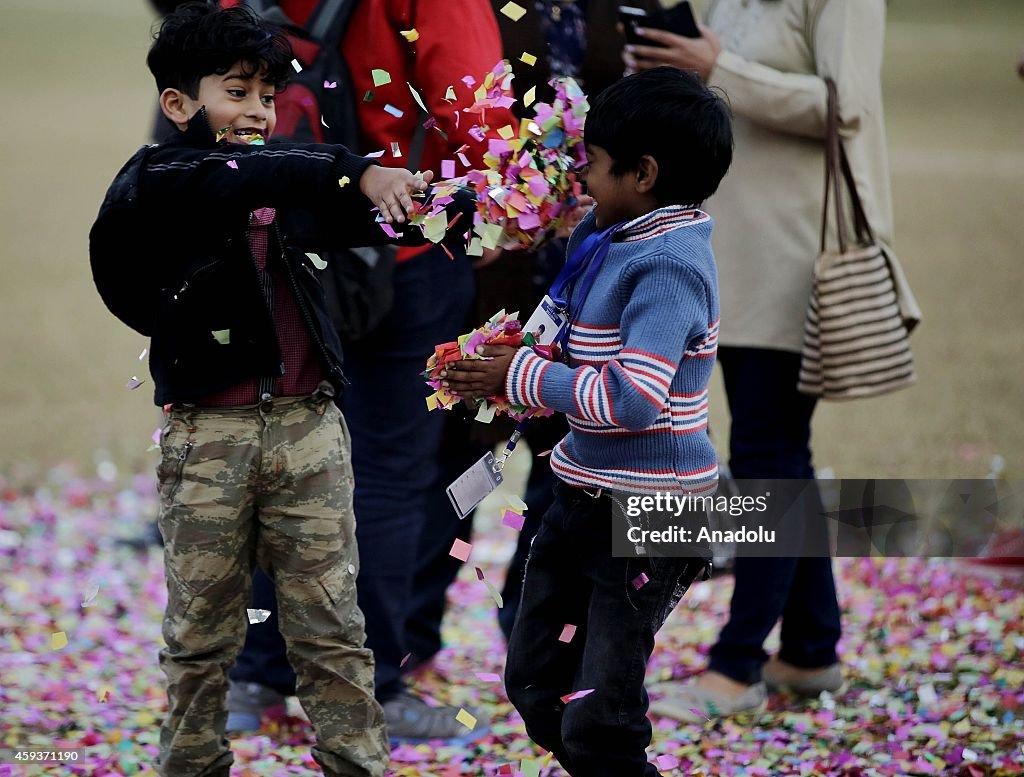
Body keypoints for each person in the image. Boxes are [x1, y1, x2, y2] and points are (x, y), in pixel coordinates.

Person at [89, 4, 453, 774]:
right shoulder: (163, 176)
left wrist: (427, 207)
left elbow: (363, 222)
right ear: (179, 105)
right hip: (209, 439)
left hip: (308, 432)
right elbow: (258, 174)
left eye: (265, 95)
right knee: (200, 630)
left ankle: (356, 759)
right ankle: (192, 760)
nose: (256, 112)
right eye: (236, 93)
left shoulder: (287, 181)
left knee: (332, 626)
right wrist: (355, 167)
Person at [219, 0, 517, 742]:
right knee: (387, 469)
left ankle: (254, 675)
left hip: (275, 242)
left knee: (279, 459)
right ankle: (374, 682)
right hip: (404, 252)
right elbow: (471, 100)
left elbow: (211, 87)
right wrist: (499, 207)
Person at [442, 67, 732, 777]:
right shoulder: (612, 237)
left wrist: (523, 377)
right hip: (580, 496)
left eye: (594, 165)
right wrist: (516, 367)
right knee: (535, 680)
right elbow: (580, 363)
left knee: (602, 713)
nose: (581, 178)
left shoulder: (667, 265)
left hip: (650, 518)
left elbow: (633, 398)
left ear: (643, 173)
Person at [624, 0, 892, 718]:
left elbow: (848, 107)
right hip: (721, 257)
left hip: (791, 255)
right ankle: (809, 649)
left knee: (769, 451)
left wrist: (721, 70)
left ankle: (736, 665)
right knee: (779, 453)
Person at [402, 0, 658, 671]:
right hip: (493, 262)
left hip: (590, 262)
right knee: (460, 456)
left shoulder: (615, 9)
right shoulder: (473, 7)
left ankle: (537, 638)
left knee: (566, 462)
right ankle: (406, 639)